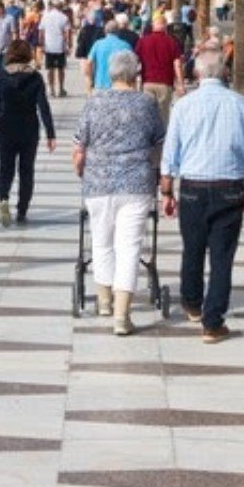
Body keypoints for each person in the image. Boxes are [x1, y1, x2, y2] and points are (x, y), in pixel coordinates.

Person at [160, 47, 244, 344]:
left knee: (192, 248)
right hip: (230, 187)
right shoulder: (242, 105)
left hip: (192, 187)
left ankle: (192, 302)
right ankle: (212, 321)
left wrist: (167, 190)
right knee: (222, 257)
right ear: (226, 73)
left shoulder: (183, 106)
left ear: (196, 73)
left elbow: (170, 156)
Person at [75, 49, 167, 333]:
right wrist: (162, 175)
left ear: (111, 73)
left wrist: (81, 169)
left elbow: (80, 146)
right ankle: (121, 316)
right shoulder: (147, 103)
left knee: (101, 242)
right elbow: (159, 143)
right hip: (136, 184)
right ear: (136, 74)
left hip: (98, 182)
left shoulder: (94, 102)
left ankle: (103, 300)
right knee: (129, 248)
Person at [0, 39, 56, 226]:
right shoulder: (35, 78)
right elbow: (43, 107)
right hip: (29, 129)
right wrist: (51, 133)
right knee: (27, 170)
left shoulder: (1, 76)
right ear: (28, 55)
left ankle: (3, 198)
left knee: (5, 167)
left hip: (6, 127)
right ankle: (22, 210)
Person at [133, 17, 185, 123]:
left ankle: (149, 136)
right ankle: (162, 138)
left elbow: (135, 60)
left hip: (147, 81)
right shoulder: (171, 42)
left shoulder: (143, 41)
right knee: (163, 115)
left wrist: (133, 80)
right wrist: (180, 84)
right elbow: (177, 64)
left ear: (153, 25)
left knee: (147, 112)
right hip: (165, 83)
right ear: (165, 26)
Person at [86, 17, 136, 95]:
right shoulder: (126, 45)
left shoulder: (98, 44)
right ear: (118, 31)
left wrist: (89, 79)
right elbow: (133, 64)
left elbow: (89, 62)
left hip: (101, 84)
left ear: (105, 31)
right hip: (120, 86)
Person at [38, 0, 72, 97]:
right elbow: (67, 33)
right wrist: (69, 45)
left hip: (49, 45)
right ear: (61, 7)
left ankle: (51, 89)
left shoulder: (45, 16)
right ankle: (60, 88)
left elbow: (41, 31)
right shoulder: (64, 17)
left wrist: (41, 44)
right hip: (60, 45)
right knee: (60, 69)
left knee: (50, 68)